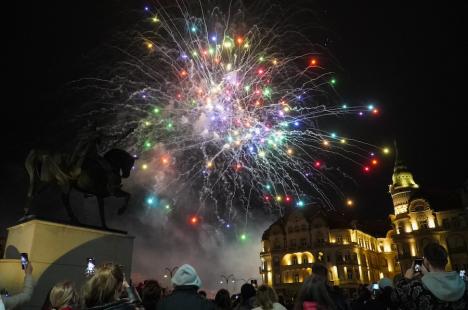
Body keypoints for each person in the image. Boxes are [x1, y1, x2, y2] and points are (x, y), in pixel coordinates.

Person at [391, 242, 468, 309]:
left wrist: (405, 279)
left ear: (426, 261)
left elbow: (395, 298)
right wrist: (427, 275)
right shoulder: (464, 282)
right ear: (446, 261)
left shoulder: (417, 288)